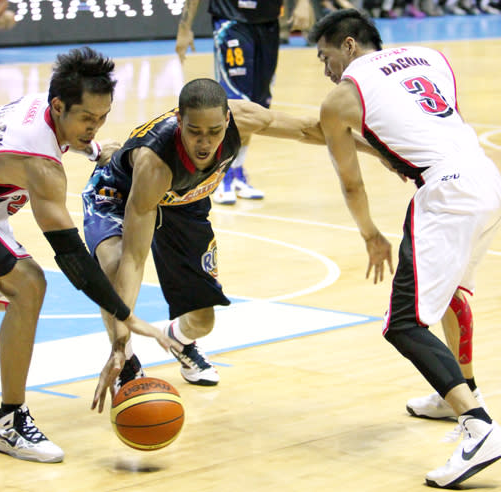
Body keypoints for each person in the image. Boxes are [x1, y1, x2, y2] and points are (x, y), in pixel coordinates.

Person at [0, 46, 178, 463]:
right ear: (59, 105)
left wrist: (94, 149)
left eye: (101, 118)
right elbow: (73, 258)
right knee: (28, 285)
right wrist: (124, 314)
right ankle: (9, 422)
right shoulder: (38, 164)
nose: (94, 127)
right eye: (86, 119)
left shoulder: (39, 105)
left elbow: (61, 134)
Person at [82, 78, 379, 408]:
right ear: (179, 121)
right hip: (119, 195)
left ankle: (180, 341)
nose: (204, 143)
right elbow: (135, 261)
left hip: (185, 203)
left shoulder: (244, 117)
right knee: (114, 267)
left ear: (228, 120)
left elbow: (310, 129)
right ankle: (127, 363)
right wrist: (121, 343)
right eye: (194, 131)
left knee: (202, 321)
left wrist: (377, 149)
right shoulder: (155, 163)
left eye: (214, 131)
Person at [308, 9, 501, 488]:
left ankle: (478, 427)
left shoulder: (341, 98)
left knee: (404, 323)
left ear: (348, 45)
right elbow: (426, 123)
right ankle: (454, 391)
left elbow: (351, 185)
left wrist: (371, 233)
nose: (326, 68)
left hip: (445, 193)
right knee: (451, 293)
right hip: (486, 178)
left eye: (325, 56)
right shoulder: (430, 56)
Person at [175, 0, 312, 205]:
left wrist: (303, 3)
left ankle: (237, 169)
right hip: (231, 22)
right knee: (237, 102)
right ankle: (221, 173)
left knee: (257, 108)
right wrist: (184, 28)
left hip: (268, 22)